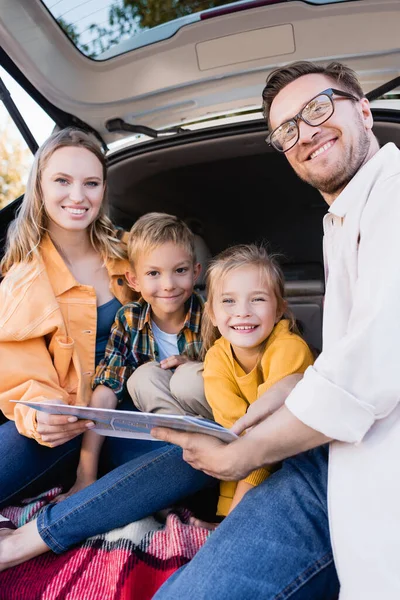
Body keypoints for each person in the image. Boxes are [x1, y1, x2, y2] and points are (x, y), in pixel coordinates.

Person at [152, 60, 400, 599]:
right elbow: (346, 360)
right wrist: (289, 392)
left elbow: (370, 371)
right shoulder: (340, 224)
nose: (305, 133)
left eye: (318, 109)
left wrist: (248, 452)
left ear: (363, 109)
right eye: (287, 130)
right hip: (327, 460)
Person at [0, 128, 211, 570]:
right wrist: (41, 412)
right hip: (58, 425)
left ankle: (28, 539)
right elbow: (19, 371)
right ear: (39, 185)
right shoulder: (23, 277)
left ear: (103, 189)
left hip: (135, 418)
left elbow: (185, 315)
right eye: (62, 181)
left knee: (196, 453)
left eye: (91, 183)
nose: (78, 195)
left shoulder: (130, 253)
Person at [56, 211, 211, 502]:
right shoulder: (129, 319)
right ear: (133, 279)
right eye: (153, 273)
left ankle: (197, 469)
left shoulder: (211, 316)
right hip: (159, 430)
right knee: (142, 380)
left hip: (211, 422)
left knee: (188, 378)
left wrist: (200, 366)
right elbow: (106, 392)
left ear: (196, 271)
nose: (168, 285)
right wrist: (85, 474)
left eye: (180, 270)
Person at [190, 243, 314, 528]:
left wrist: (232, 520)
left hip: (292, 457)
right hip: (245, 463)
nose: (242, 312)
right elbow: (234, 431)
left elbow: (268, 435)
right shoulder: (217, 357)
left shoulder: (290, 349)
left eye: (257, 299)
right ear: (210, 312)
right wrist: (225, 514)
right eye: (229, 301)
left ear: (280, 307)